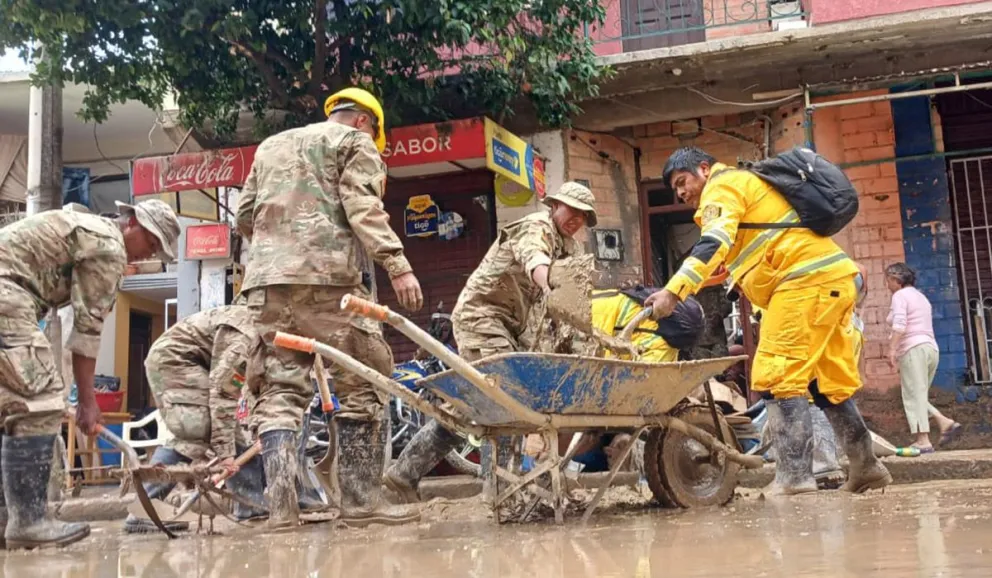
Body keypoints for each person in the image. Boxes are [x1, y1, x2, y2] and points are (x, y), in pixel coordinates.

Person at [644, 147, 891, 496]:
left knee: (776, 375)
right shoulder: (746, 187)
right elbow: (738, 255)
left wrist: (673, 292)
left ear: (703, 168)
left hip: (802, 283)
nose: (681, 193)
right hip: (829, 280)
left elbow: (714, 241)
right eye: (676, 189)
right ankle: (866, 466)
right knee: (826, 382)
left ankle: (794, 477)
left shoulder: (722, 186)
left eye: (682, 182)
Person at [236, 87, 423, 529]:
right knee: (365, 377)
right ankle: (360, 504)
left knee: (280, 391)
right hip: (330, 282)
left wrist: (277, 249)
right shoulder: (354, 143)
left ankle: (281, 510)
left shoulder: (270, 146)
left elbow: (245, 215)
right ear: (364, 122)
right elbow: (362, 206)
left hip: (266, 284)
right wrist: (397, 264)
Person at [383, 182, 598, 503]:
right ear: (554, 206)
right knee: (503, 397)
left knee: (469, 408)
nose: (576, 219)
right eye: (572, 210)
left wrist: (584, 355)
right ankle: (502, 492)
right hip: (483, 316)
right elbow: (535, 260)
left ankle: (402, 477)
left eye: (584, 216)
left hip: (515, 327)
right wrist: (552, 284)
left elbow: (576, 311)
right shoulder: (536, 226)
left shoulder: (573, 251)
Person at [0, 199, 179, 549]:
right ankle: (29, 520)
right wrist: (87, 403)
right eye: (152, 243)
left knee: (8, 407)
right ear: (134, 223)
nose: (148, 254)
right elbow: (87, 332)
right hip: (7, 294)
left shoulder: (85, 227)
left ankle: (7, 519)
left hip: (11, 292)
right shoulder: (109, 246)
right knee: (40, 401)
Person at [122, 305, 322, 532]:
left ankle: (252, 507)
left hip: (199, 364)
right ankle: (142, 509)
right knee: (196, 429)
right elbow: (223, 393)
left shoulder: (266, 336)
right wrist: (224, 454)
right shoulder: (245, 339)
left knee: (232, 435)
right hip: (175, 360)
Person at [569, 288, 705, 473]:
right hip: (610, 390)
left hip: (610, 393)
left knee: (591, 442)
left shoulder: (653, 327)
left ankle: (574, 465)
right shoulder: (625, 313)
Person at [885, 263, 961, 452]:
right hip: (930, 349)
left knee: (913, 396)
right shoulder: (921, 297)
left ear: (896, 279)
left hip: (913, 349)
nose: (887, 285)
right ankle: (945, 422)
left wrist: (892, 350)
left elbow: (899, 325)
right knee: (917, 394)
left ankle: (923, 440)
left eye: (888, 280)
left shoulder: (900, 296)